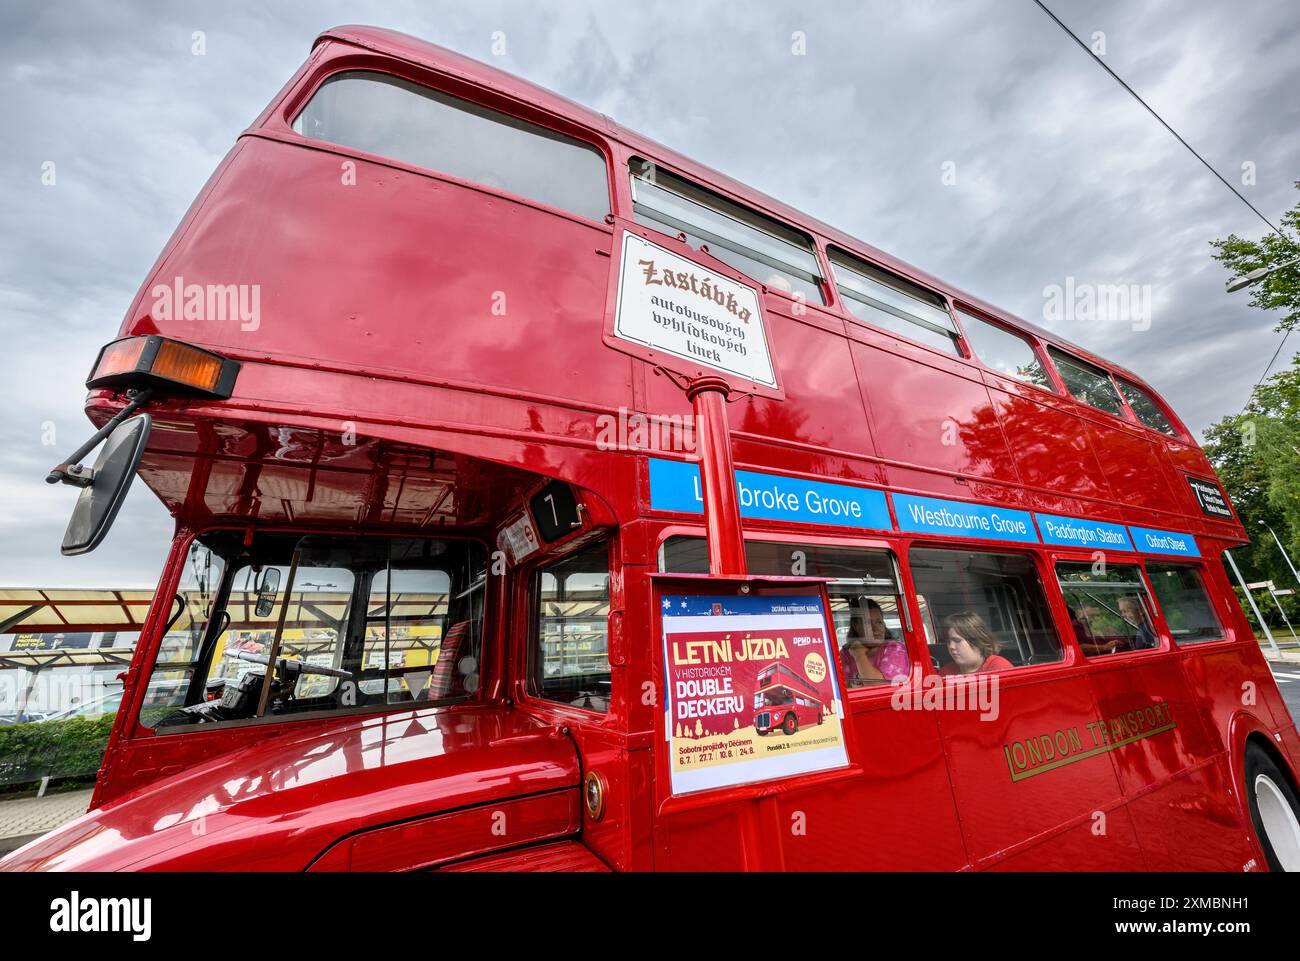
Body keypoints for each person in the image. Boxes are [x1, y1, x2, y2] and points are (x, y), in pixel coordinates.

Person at [840, 598, 909, 685]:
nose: (875, 628)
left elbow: (879, 687)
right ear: (855, 625)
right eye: (868, 623)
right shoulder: (846, 653)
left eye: (879, 622)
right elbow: (840, 688)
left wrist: (859, 655)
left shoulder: (895, 649)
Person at [939, 611, 1014, 675]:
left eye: (957, 641)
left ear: (977, 642)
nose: (951, 646)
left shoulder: (999, 667)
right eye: (948, 642)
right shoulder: (945, 672)